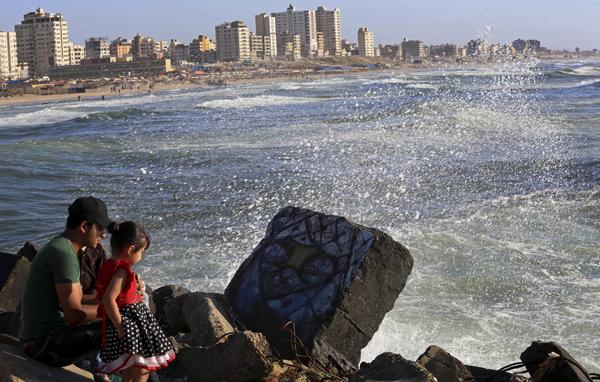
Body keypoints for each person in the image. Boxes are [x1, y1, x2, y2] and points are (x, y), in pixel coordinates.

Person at [19, 196, 111, 367]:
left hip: (44, 340)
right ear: (84, 226)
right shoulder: (64, 254)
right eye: (99, 229)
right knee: (124, 325)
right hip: (45, 344)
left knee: (125, 319)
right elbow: (74, 315)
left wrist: (111, 299)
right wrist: (111, 309)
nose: (103, 235)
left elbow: (78, 299)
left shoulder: (64, 247)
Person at [96, 221, 174, 382]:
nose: (141, 257)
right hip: (130, 323)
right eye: (141, 252)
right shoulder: (122, 271)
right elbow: (108, 299)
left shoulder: (108, 265)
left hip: (123, 321)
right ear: (131, 250)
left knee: (129, 367)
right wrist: (120, 327)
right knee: (142, 368)